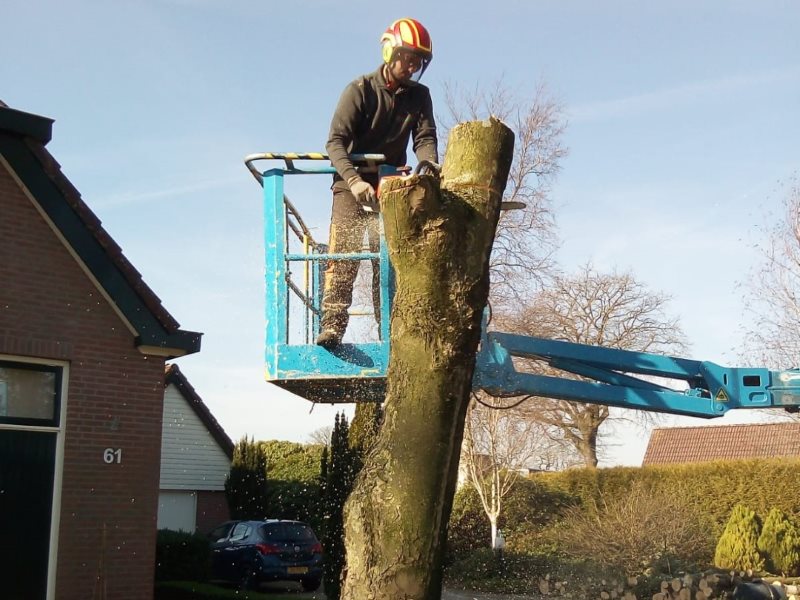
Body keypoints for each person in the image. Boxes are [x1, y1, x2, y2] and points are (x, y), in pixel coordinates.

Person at [316, 17, 439, 348]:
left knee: (387, 258)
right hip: (350, 185)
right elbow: (335, 142)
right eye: (407, 57)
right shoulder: (360, 90)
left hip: (391, 186)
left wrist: (427, 164)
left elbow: (424, 137)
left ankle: (391, 330)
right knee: (345, 253)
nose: (411, 65)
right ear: (390, 51)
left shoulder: (419, 97)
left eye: (418, 61)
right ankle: (332, 327)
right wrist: (354, 180)